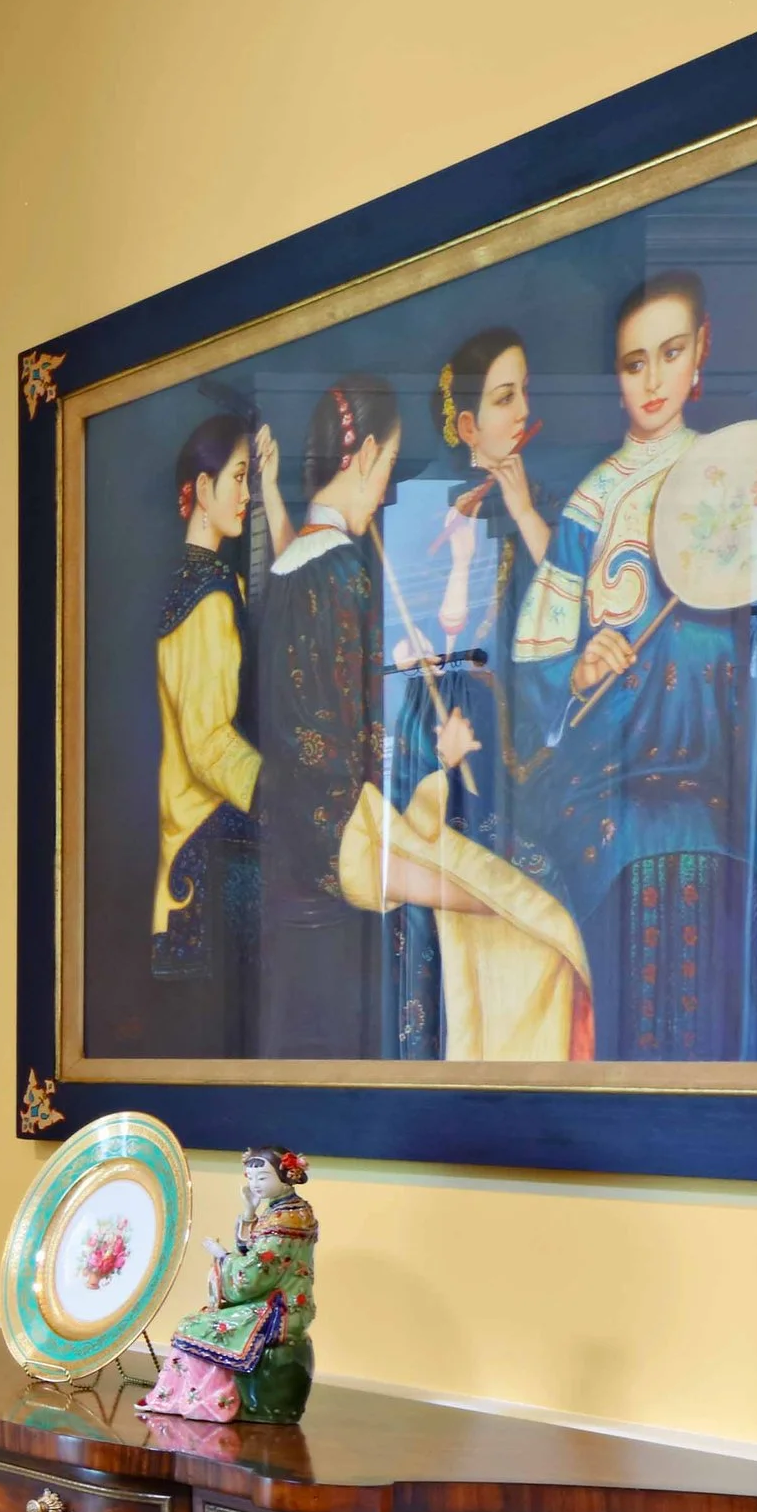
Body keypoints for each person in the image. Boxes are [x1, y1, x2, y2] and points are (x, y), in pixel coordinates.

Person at [258, 374, 592, 1063]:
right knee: (541, 919)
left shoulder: (291, 564)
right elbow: (358, 729)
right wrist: (435, 753)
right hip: (351, 836)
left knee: (518, 905)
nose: (384, 493)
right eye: (385, 470)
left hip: (316, 827)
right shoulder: (346, 568)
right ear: (369, 453)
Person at [507, 270, 757, 1059]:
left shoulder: (733, 482)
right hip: (615, 812)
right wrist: (578, 668)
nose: (655, 378)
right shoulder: (591, 503)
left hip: (716, 809)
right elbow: (539, 664)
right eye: (635, 363)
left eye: (670, 353)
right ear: (617, 376)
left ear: (701, 352)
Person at [386, 325, 547, 1057]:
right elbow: (414, 634)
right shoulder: (427, 505)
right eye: (502, 396)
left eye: (524, 395)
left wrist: (521, 514)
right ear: (466, 424)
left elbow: (561, 613)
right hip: (436, 720)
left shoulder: (533, 504)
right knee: (434, 908)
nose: (519, 411)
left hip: (502, 723)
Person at [149, 411, 272, 1033]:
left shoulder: (193, 586)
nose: (248, 494)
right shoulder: (211, 595)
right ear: (202, 490)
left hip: (191, 839)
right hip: (215, 850)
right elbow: (209, 743)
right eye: (240, 477)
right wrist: (282, 797)